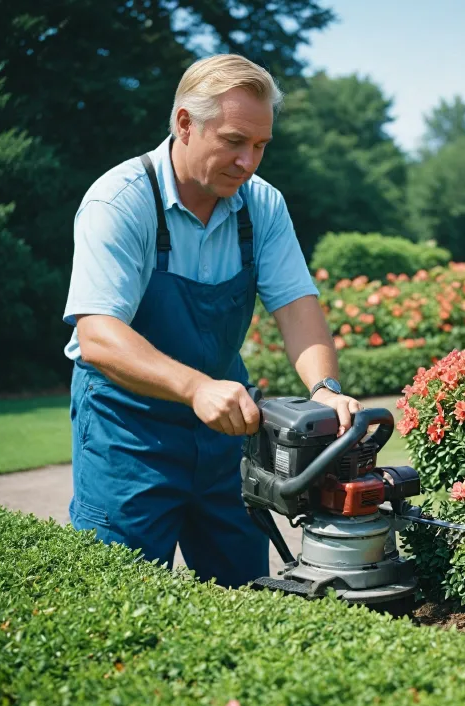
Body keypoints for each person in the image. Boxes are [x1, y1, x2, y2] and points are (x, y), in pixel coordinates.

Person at [62, 53, 362, 587]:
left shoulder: (262, 207)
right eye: (233, 141)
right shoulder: (121, 201)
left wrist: (324, 388)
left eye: (260, 146)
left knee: (244, 591)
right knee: (119, 597)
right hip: (126, 434)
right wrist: (197, 388)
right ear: (184, 123)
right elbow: (99, 337)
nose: (248, 161)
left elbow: (297, 305)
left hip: (226, 431)